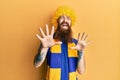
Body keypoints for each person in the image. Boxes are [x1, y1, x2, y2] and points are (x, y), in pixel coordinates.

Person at [34, 6, 90, 80]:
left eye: (68, 18)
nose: (65, 20)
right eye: (62, 17)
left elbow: (81, 71)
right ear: (57, 21)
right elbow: (36, 64)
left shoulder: (76, 44)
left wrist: (81, 52)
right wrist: (44, 48)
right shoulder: (48, 42)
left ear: (71, 22)